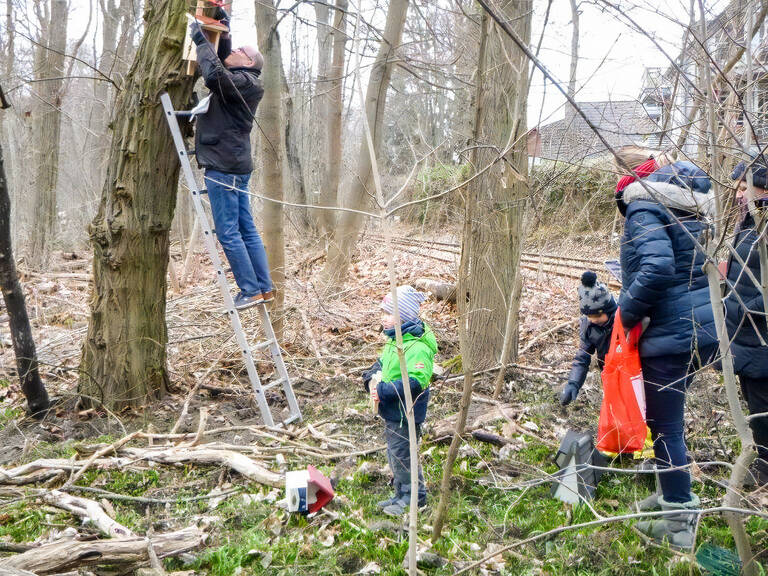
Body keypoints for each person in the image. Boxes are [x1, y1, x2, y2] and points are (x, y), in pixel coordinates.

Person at [614, 146, 718, 549]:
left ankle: (678, 522)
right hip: (700, 329)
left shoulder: (643, 207)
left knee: (666, 427)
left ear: (625, 177)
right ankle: (669, 494)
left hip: (671, 335)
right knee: (667, 421)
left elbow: (658, 269)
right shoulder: (684, 203)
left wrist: (625, 312)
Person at [189, 15, 273, 310]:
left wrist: (201, 40)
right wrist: (222, 29)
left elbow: (215, 76)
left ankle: (250, 289)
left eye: (240, 50)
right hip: (233, 165)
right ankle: (263, 287)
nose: (233, 51)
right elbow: (223, 59)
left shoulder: (244, 83)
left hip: (225, 167)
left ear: (249, 62)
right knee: (245, 229)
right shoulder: (243, 79)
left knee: (228, 232)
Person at [362, 286, 437, 517]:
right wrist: (370, 376)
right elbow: (383, 363)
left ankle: (414, 499)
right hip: (392, 413)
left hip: (406, 414)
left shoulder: (416, 347)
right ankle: (399, 494)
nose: (383, 318)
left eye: (388, 313)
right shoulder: (394, 340)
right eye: (383, 313)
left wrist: (383, 390)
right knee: (395, 455)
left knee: (404, 457)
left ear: (403, 316)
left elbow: (415, 382)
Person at [723, 150, 768, 487]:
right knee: (754, 401)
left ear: (763, 189)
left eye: (744, 187)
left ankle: (765, 468)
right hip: (745, 331)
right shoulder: (750, 222)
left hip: (760, 332)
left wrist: (748, 304)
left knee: (763, 405)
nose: (738, 193)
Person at [560, 271, 617, 406]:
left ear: (608, 310)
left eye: (596, 316)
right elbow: (582, 357)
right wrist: (573, 383)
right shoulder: (588, 325)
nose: (593, 320)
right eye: (589, 316)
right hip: (608, 374)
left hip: (628, 374)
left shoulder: (623, 320)